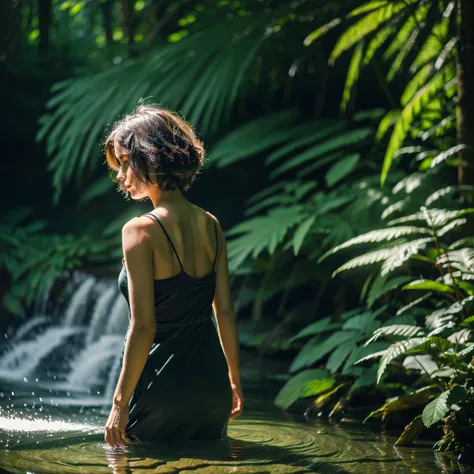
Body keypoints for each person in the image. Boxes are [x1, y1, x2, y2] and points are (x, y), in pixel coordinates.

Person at [102, 103, 243, 448]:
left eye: (124, 163)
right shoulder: (212, 225)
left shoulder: (139, 231)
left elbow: (144, 327)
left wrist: (119, 406)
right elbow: (223, 312)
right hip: (213, 389)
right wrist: (234, 381)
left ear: (149, 159)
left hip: (163, 390)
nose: (120, 176)